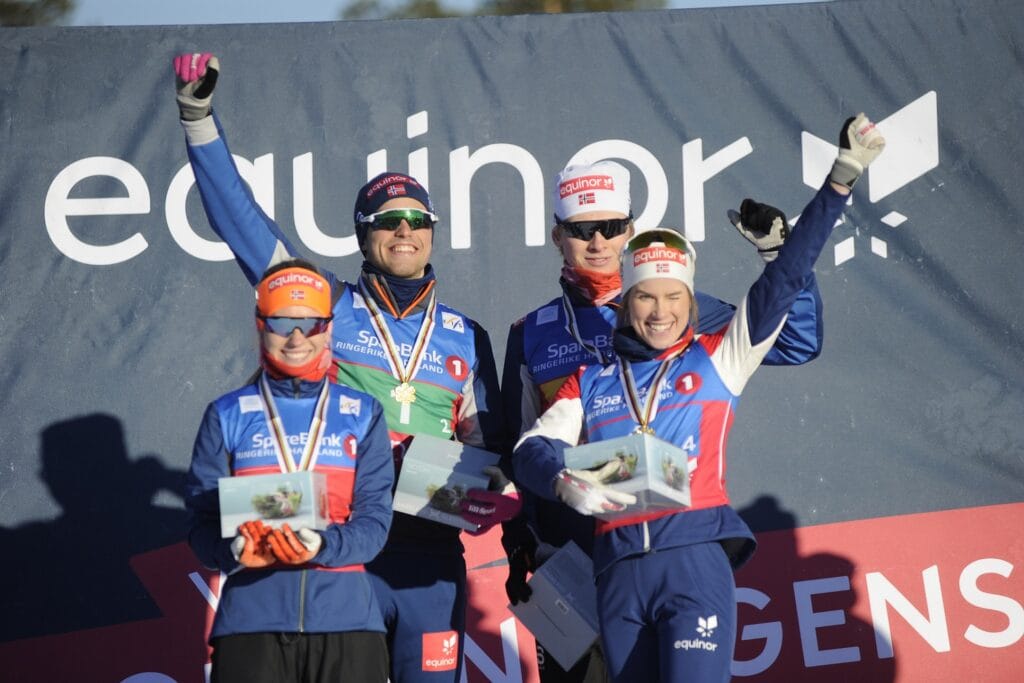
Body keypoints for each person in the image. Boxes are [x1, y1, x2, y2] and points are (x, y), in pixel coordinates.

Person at [173, 52, 516, 683]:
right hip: (337, 554)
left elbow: (487, 452)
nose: (404, 230)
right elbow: (241, 223)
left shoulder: (467, 336)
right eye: (388, 221)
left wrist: (484, 479)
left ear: (432, 232)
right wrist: (198, 119)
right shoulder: (323, 304)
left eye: (417, 220)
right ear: (364, 234)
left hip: (430, 560)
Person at [512, 114, 885, 682]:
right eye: (582, 229)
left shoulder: (705, 342)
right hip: (592, 561)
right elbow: (524, 446)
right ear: (557, 233)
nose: (660, 312)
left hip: (688, 548)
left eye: (610, 226)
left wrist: (834, 187)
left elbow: (785, 303)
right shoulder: (561, 355)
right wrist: (552, 495)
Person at [185, 261, 395, 682]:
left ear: (328, 329)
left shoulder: (362, 413)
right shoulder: (227, 414)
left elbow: (374, 524)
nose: (297, 338)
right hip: (250, 623)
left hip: (347, 622)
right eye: (282, 322)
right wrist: (233, 551)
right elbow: (201, 527)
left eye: (311, 323)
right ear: (260, 326)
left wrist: (321, 545)